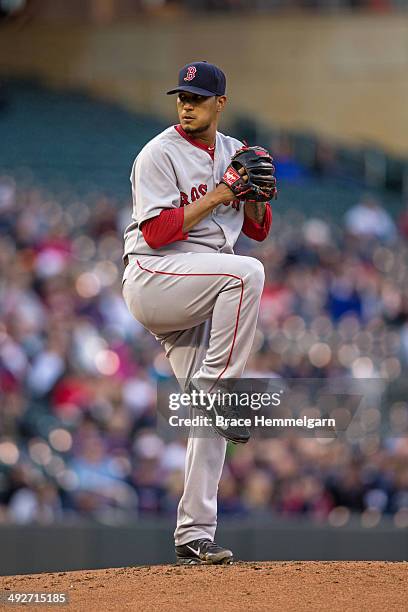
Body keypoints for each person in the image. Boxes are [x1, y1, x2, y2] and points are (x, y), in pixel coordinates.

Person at [122, 61, 274, 564]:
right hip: (156, 275)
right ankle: (219, 390)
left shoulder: (236, 152)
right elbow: (158, 234)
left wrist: (251, 199)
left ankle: (194, 533)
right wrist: (223, 193)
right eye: (181, 96)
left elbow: (258, 229)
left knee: (205, 420)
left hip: (198, 288)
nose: (186, 104)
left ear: (219, 103)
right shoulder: (157, 154)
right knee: (246, 274)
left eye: (197, 97)